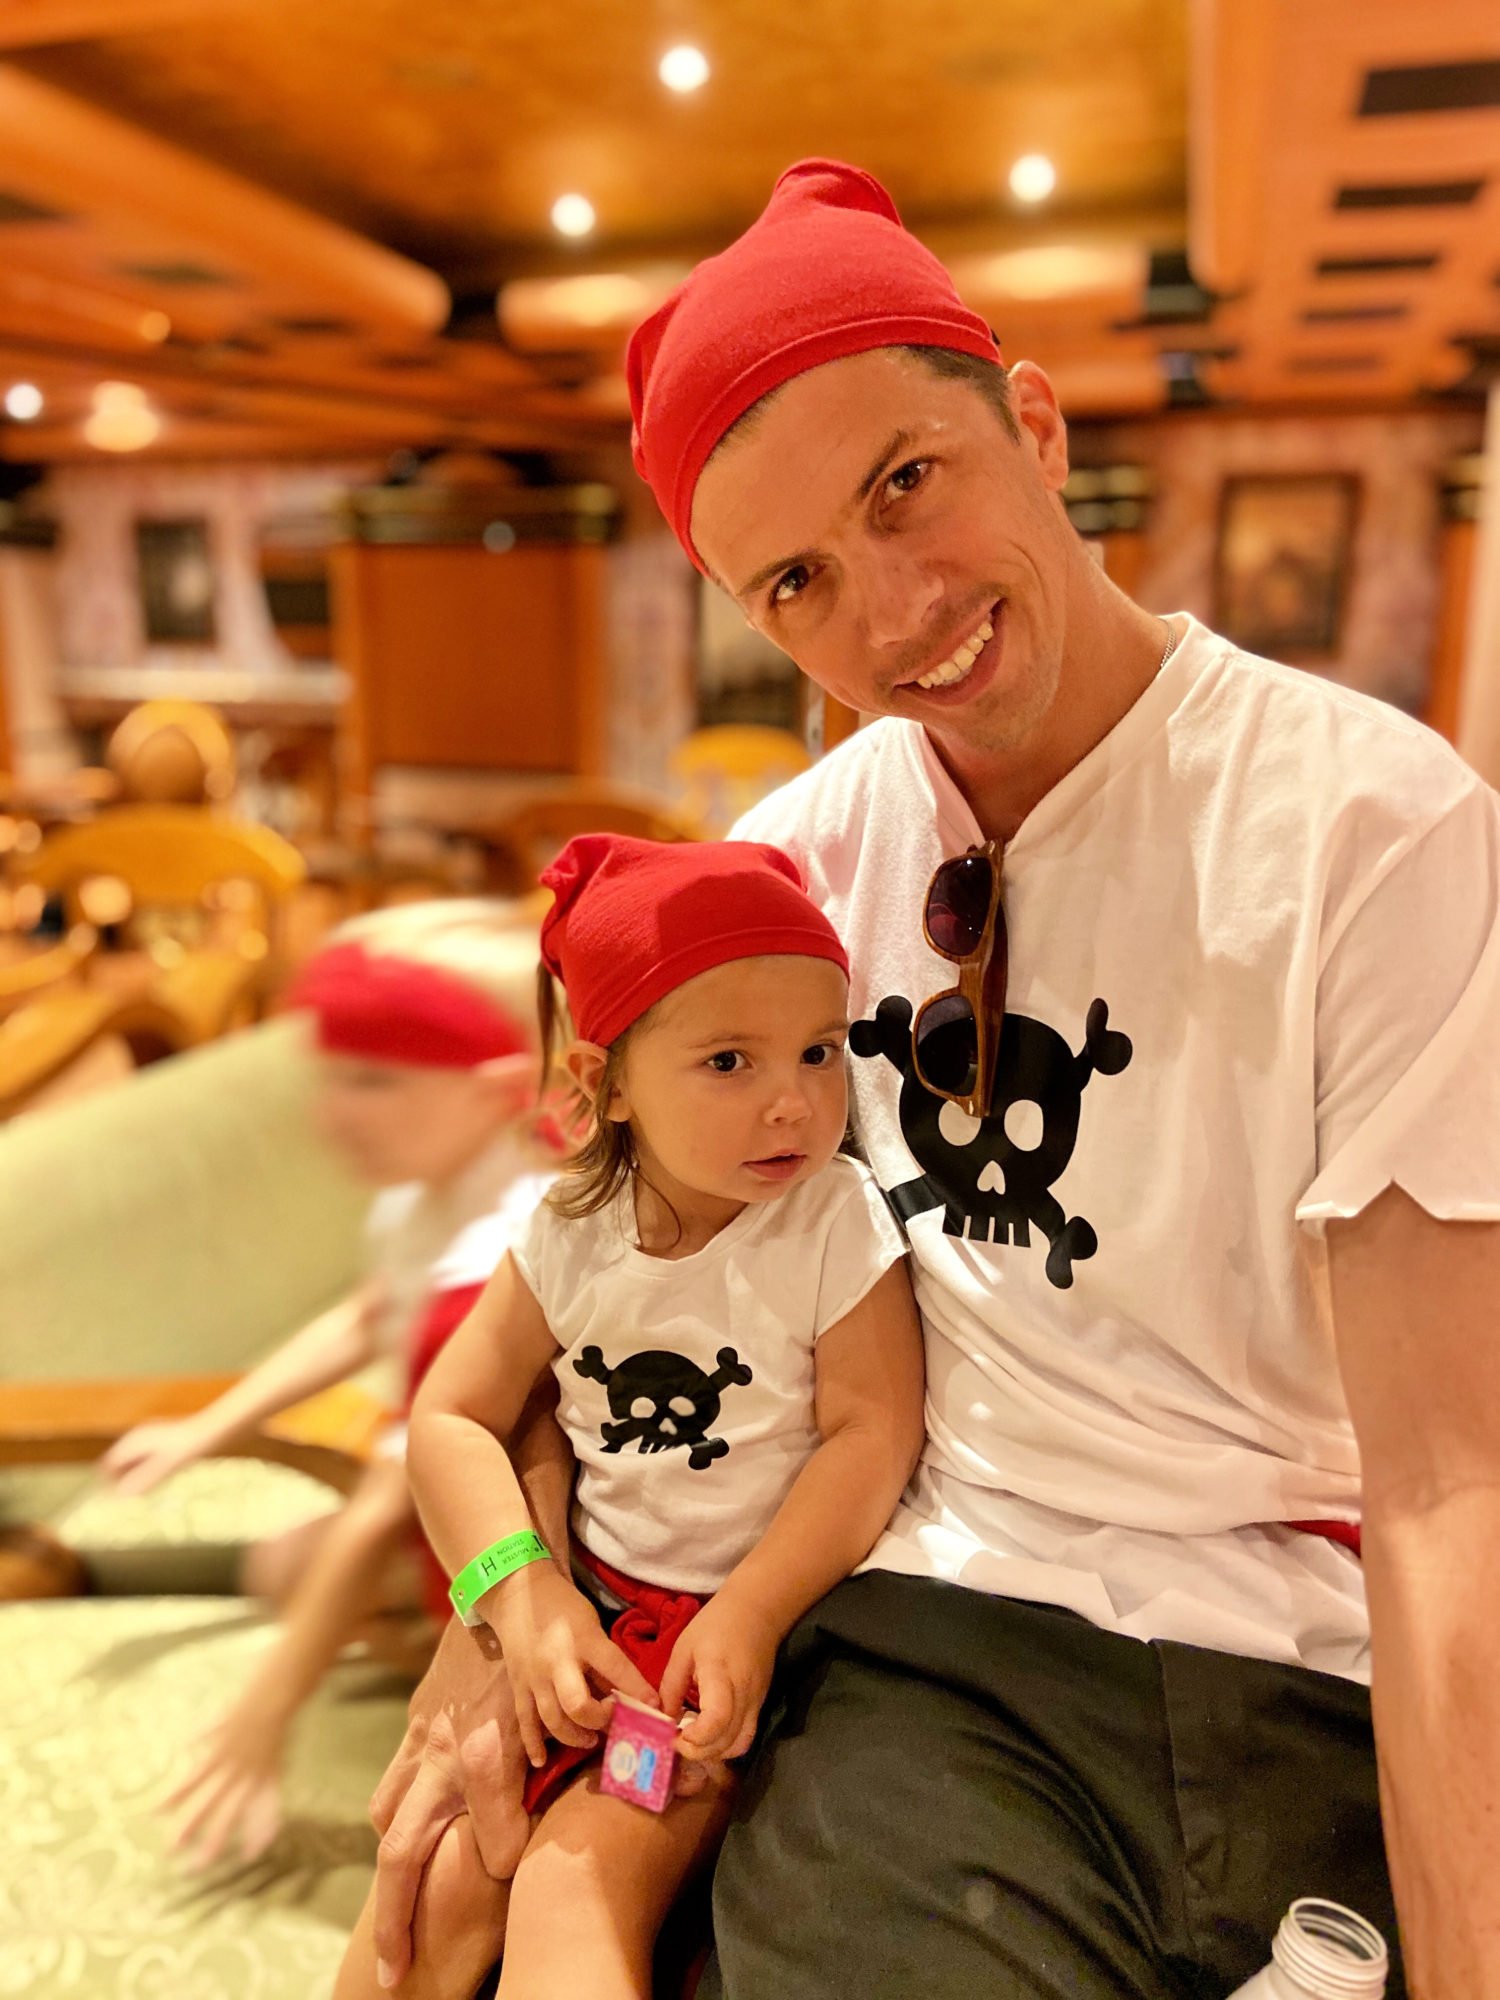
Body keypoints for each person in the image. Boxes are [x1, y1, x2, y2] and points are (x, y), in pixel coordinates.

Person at [368, 160, 1500, 1998]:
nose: (893, 616)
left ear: (1033, 425)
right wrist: (499, 1605)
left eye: (908, 483)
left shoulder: (1374, 831)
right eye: (799, 580)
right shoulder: (792, 874)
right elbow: (608, 1270)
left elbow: (1455, 1487)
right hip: (931, 1633)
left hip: (1307, 1651)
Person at [334, 834, 923, 2000]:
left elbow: (875, 1432)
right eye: (728, 1060)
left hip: (742, 1656)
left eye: (818, 1050)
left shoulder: (831, 1221)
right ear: (600, 1082)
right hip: (584, 1623)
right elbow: (451, 1413)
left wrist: (752, 1610)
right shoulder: (566, 1229)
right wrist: (519, 1586)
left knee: (575, 1879)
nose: (793, 1100)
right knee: (427, 1893)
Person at [100, 899, 561, 1871]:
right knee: (281, 1568)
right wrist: (206, 1426)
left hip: (501, 1557)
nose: (331, 1112)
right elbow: (361, 1315)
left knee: (334, 1583)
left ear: (495, 1091)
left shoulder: (499, 1257)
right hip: (426, 1508)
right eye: (332, 1074)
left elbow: (384, 1507)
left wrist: (260, 1716)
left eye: (374, 1080)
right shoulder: (424, 1199)